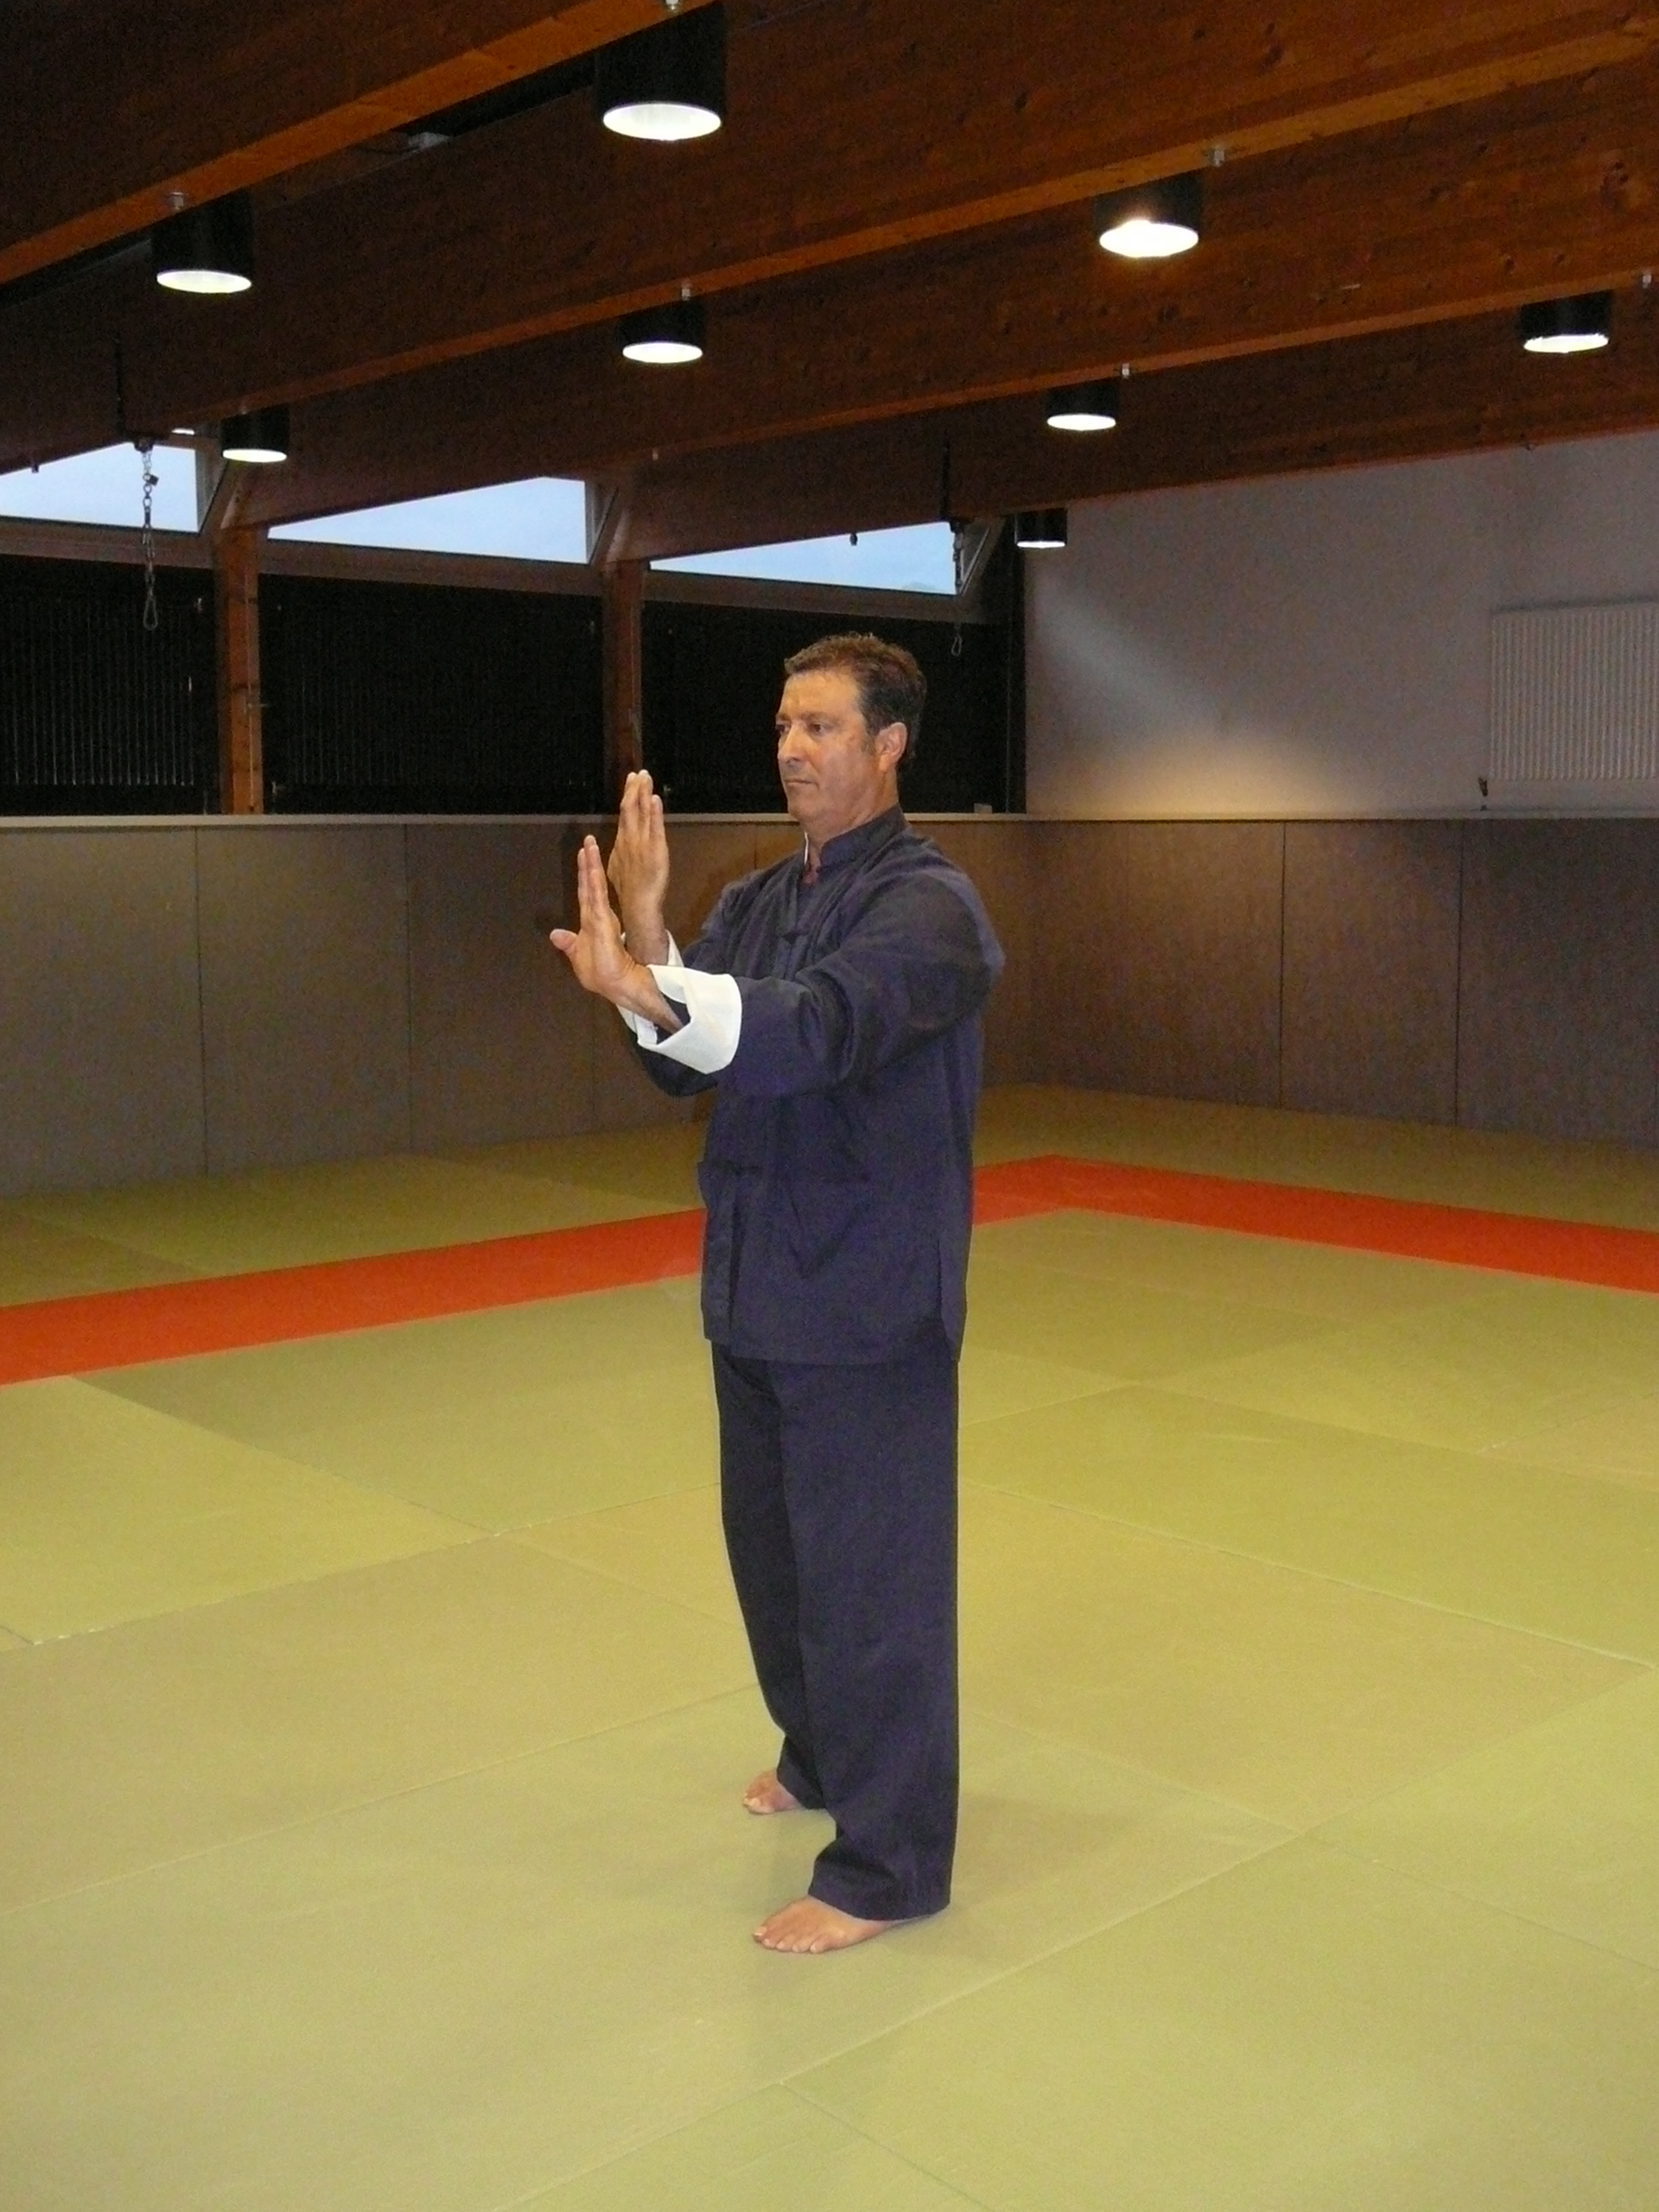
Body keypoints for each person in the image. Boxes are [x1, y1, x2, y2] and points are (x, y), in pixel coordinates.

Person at [550, 632, 1003, 1954]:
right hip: (756, 1282)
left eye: (822, 727)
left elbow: (813, 1027)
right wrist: (646, 944)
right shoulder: (757, 900)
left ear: (889, 745)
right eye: (784, 726)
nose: (793, 749)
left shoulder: (932, 912)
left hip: (868, 1299)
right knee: (779, 1564)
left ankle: (889, 1865)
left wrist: (653, 977)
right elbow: (685, 1061)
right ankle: (819, 1751)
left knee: (874, 1588)